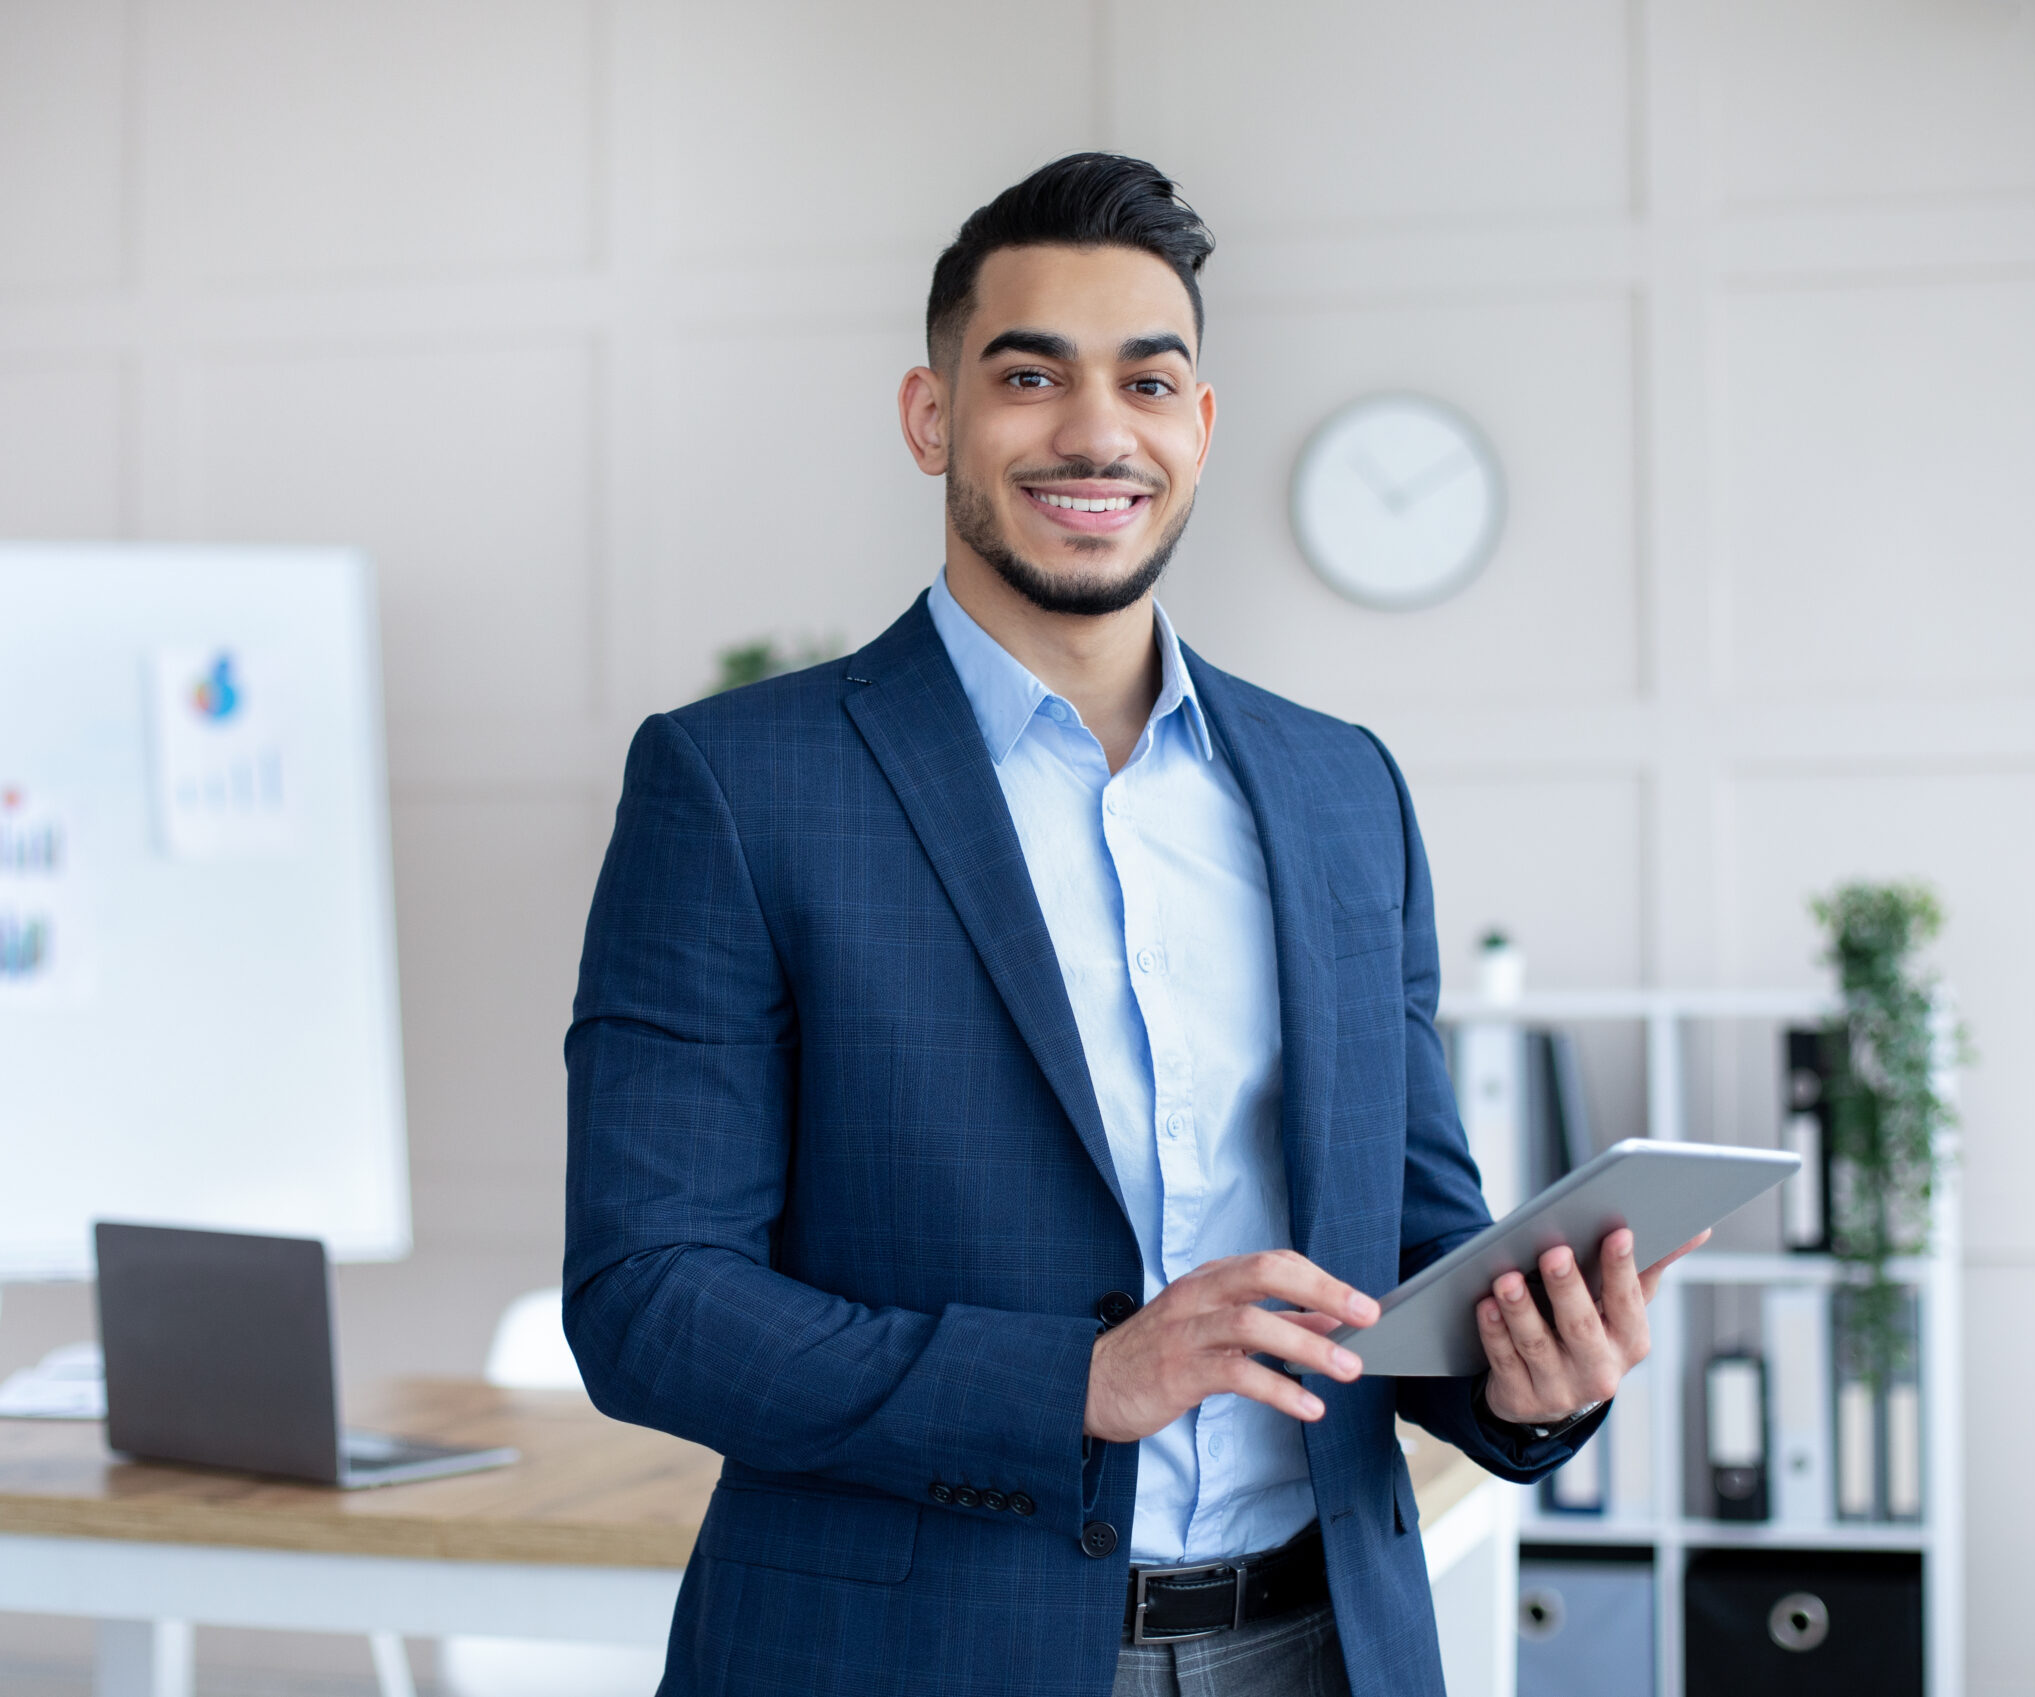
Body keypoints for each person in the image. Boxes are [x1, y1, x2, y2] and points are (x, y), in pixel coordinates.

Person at [564, 153, 1698, 1697]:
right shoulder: (737, 784)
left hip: (1323, 1646)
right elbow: (649, 1300)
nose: (1096, 431)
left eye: (1147, 382)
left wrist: (1533, 1375)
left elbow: (1413, 1241)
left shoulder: (1340, 785)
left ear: (1200, 429)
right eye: (1030, 375)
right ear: (931, 415)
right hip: (905, 1658)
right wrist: (1074, 1384)